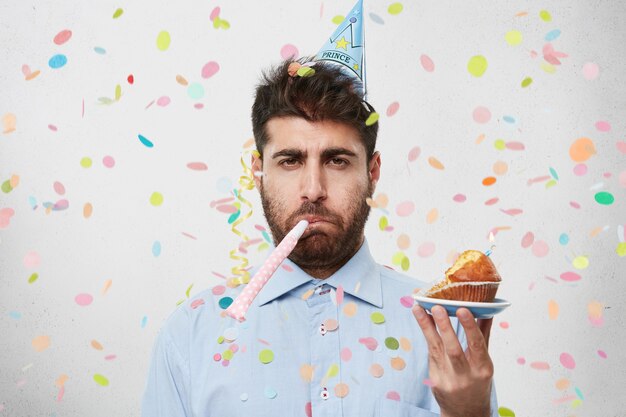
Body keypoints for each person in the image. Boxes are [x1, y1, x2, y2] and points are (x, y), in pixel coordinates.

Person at [141, 57, 498, 417]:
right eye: (290, 161)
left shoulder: (443, 331)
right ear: (258, 171)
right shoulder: (190, 334)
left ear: (372, 172)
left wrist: (470, 413)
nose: (313, 190)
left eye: (337, 160)